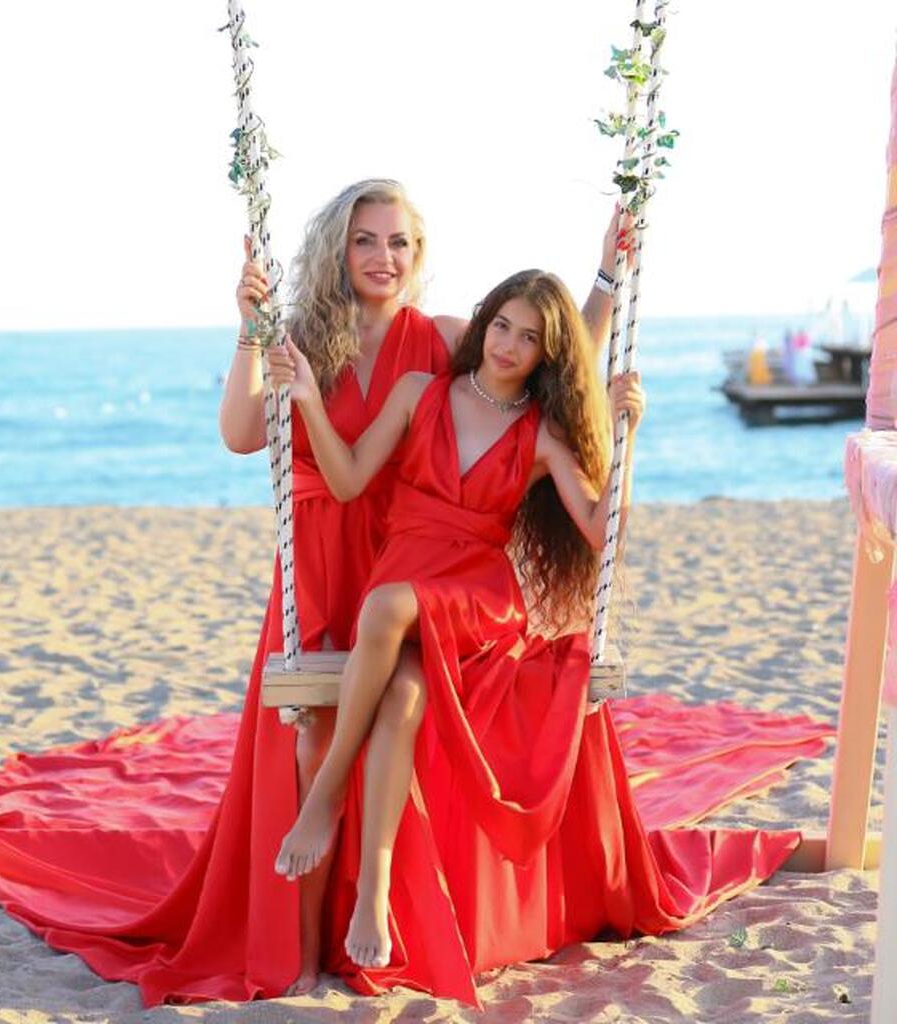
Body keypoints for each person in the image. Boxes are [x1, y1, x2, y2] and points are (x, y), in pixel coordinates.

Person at [266, 270, 800, 988]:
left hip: (475, 599)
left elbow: (601, 532)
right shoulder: (419, 393)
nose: (509, 345)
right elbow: (348, 480)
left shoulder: (542, 435)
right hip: (406, 577)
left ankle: (326, 796)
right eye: (502, 326)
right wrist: (307, 400)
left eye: (529, 338)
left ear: (548, 355)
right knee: (401, 699)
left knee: (384, 608)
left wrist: (625, 438)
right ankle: (375, 894)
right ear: (485, 322)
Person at [218, 180, 627, 993]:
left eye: (399, 241)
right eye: (365, 240)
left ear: (419, 252)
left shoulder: (442, 339)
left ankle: (366, 900)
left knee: (393, 704)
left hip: (416, 562)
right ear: (337, 249)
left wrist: (607, 280)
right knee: (313, 732)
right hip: (329, 551)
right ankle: (304, 952)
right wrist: (249, 329)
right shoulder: (302, 336)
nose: (384, 257)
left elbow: (549, 351)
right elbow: (239, 433)